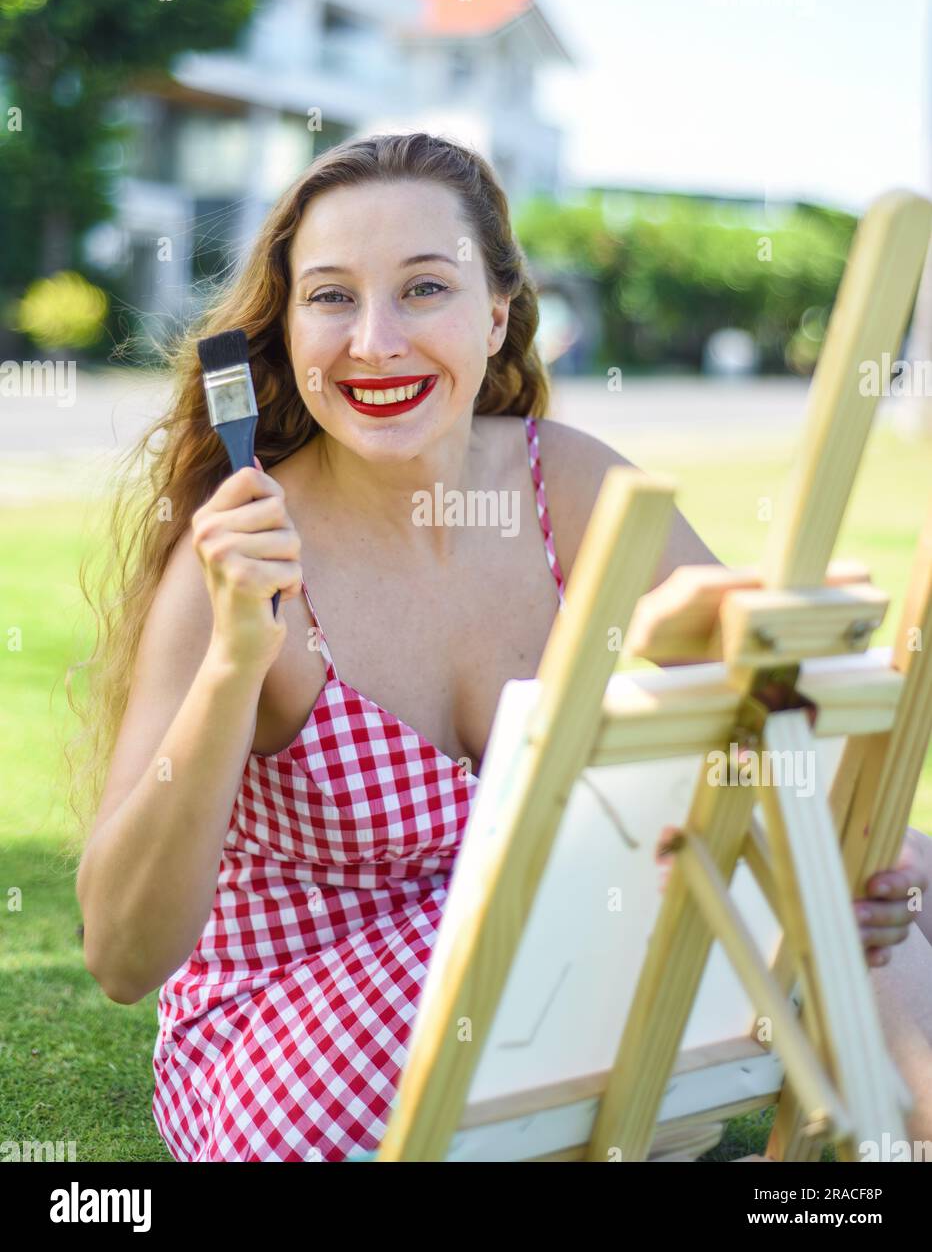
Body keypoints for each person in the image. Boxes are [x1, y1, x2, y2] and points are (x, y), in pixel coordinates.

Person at [70, 132, 932, 1162]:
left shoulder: (561, 485)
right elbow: (123, 954)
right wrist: (230, 666)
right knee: (672, 889)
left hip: (537, 968)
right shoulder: (239, 556)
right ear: (289, 323)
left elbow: (762, 711)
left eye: (423, 289)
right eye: (332, 296)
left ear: (496, 314)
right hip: (301, 1046)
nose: (374, 342)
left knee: (886, 862)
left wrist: (840, 847)